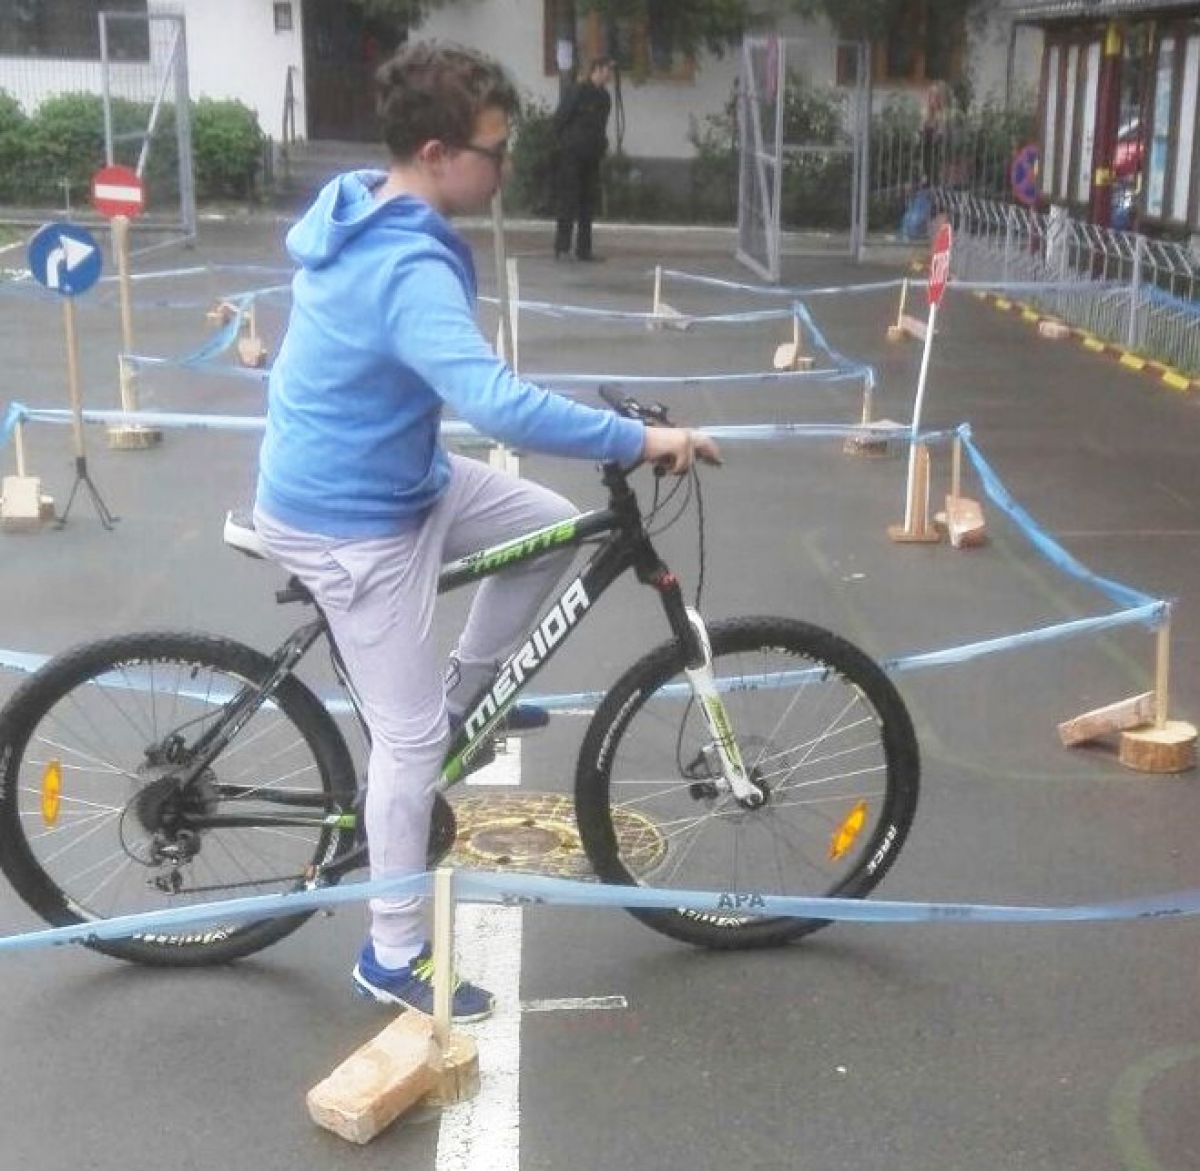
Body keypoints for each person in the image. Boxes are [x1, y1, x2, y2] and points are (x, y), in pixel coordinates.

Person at [252, 41, 720, 1021]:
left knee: (550, 524)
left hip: (399, 479)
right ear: (436, 153)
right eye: (495, 152)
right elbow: (497, 405)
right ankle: (391, 953)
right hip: (348, 518)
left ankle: (468, 693)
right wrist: (644, 438)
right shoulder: (405, 263)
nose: (507, 170)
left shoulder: (367, 204)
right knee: (410, 744)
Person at [552, 56, 613, 261]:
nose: (609, 75)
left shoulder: (604, 97)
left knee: (588, 202)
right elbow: (560, 118)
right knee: (568, 200)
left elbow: (601, 125)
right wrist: (564, 143)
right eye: (607, 70)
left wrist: (601, 145)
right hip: (572, 154)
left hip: (592, 155)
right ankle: (562, 246)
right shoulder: (578, 91)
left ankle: (584, 249)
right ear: (597, 69)